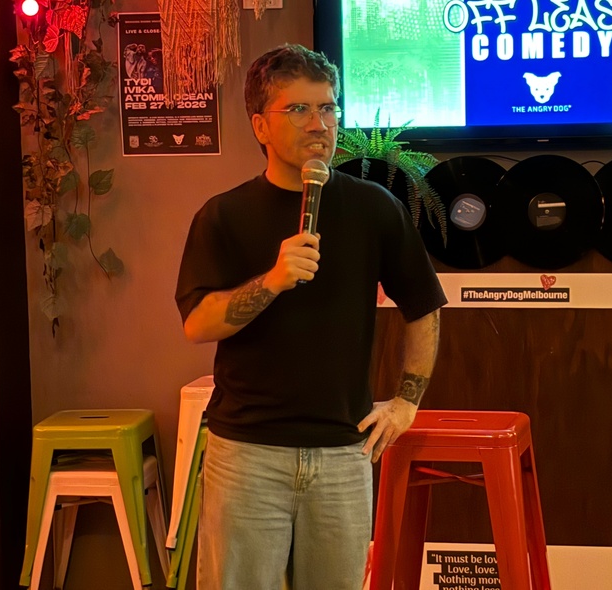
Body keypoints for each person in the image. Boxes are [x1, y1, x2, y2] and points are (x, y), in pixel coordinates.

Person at [175, 43, 446, 590]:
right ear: (260, 125)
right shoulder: (223, 215)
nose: (320, 123)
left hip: (343, 456)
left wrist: (406, 403)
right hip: (247, 455)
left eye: (328, 108)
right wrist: (273, 280)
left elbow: (423, 305)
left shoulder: (373, 207)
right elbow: (197, 324)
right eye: (298, 109)